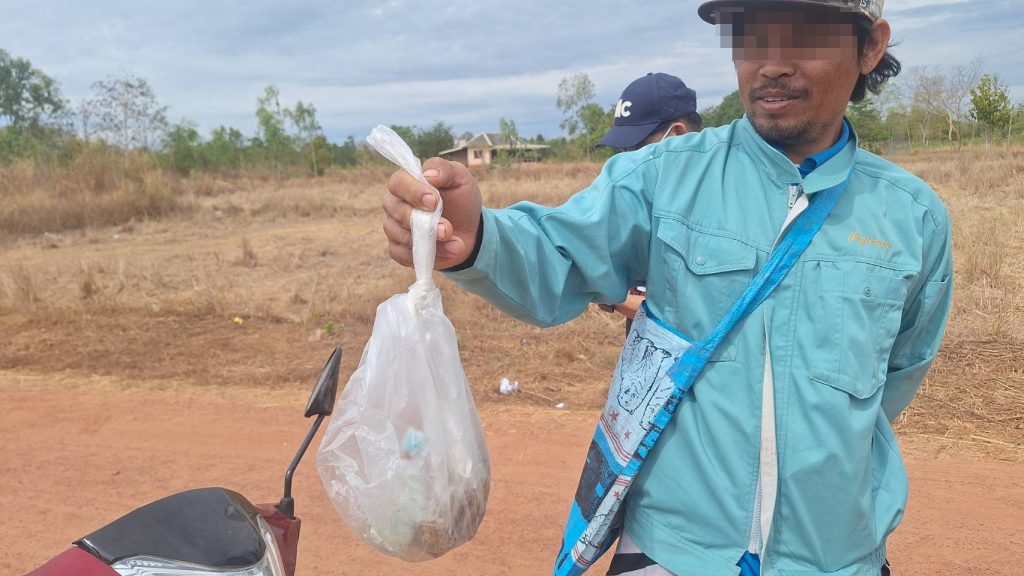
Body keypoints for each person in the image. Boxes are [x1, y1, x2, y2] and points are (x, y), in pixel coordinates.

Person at [381, 1, 953, 575]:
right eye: (751, 37)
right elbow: (557, 255)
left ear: (870, 46)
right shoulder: (665, 174)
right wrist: (476, 236)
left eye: (802, 37)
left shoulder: (910, 218)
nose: (771, 64)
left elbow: (893, 378)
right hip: (672, 554)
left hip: (835, 558)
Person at [594, 73, 703, 327]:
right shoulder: (644, 203)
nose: (625, 162)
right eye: (621, 151)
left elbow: (687, 317)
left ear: (677, 135)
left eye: (635, 149)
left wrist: (609, 293)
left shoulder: (714, 207)